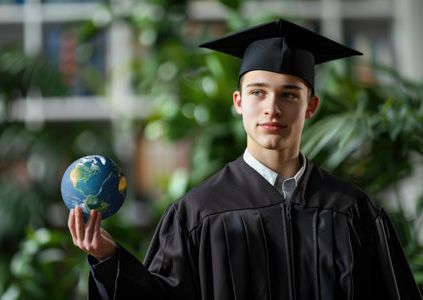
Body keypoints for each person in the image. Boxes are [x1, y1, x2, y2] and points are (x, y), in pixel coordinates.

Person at [68, 19, 423, 300]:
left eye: (289, 94)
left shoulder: (353, 212)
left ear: (310, 106)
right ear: (238, 102)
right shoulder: (196, 214)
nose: (272, 108)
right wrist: (108, 259)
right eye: (258, 92)